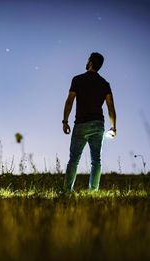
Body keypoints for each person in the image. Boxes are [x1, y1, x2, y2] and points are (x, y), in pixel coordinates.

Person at [62, 52, 116, 193]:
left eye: (88, 60)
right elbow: (110, 107)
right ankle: (93, 191)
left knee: (74, 159)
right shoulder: (105, 84)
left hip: (81, 124)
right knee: (96, 160)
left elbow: (69, 101)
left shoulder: (78, 79)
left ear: (91, 63)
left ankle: (67, 192)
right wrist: (113, 127)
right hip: (98, 124)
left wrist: (65, 121)